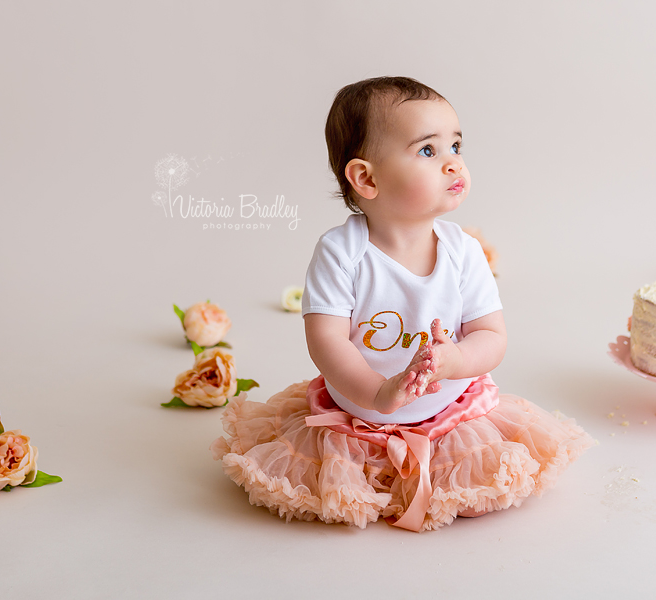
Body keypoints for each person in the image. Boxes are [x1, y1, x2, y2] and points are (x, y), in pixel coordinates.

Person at [211, 76, 592, 532]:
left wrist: (456, 360)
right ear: (366, 178)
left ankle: (437, 461)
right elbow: (326, 341)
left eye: (456, 146)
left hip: (450, 408)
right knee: (343, 487)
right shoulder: (342, 253)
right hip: (359, 409)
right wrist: (377, 392)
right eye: (429, 151)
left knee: (475, 489)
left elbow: (493, 337)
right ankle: (376, 452)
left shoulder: (462, 251)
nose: (454, 164)